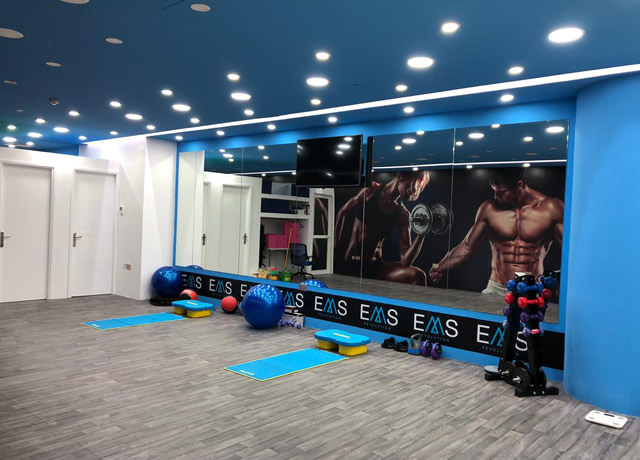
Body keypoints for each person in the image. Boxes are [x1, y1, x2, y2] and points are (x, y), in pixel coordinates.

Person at [429, 168, 563, 294]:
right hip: (495, 288)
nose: (496, 196)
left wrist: (565, 284)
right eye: (494, 190)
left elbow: (570, 251)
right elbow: (467, 246)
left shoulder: (551, 208)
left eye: (501, 192)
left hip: (529, 290)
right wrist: (439, 266)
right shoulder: (489, 209)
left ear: (519, 185)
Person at [335, 170, 430, 285]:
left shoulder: (403, 214)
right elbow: (342, 212)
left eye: (419, 189)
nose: (414, 192)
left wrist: (422, 233)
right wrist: (333, 247)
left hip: (376, 266)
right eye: (413, 186)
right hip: (353, 263)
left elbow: (405, 261)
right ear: (400, 175)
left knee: (418, 275)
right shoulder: (371, 190)